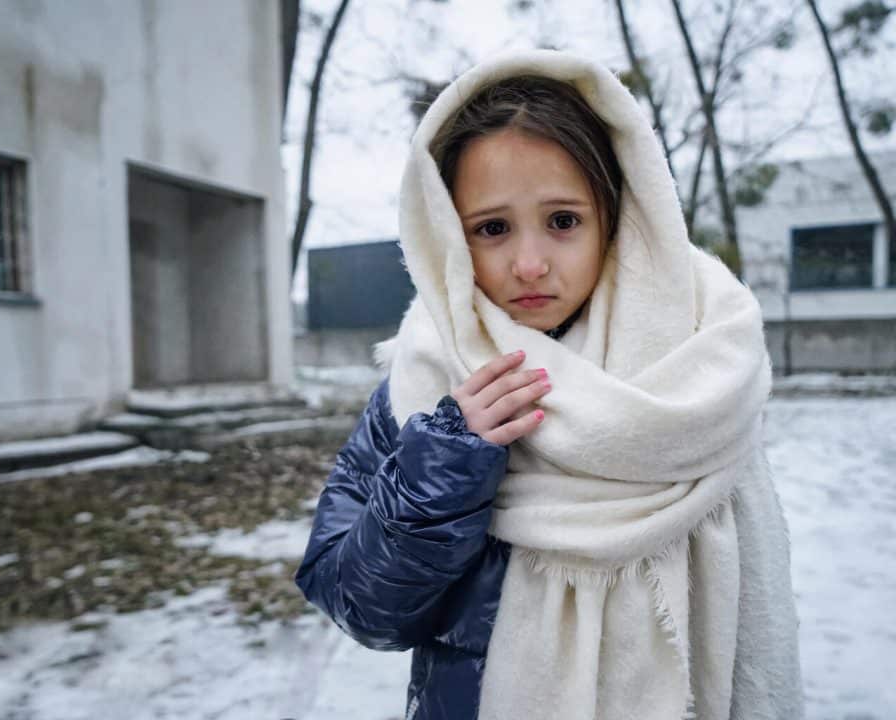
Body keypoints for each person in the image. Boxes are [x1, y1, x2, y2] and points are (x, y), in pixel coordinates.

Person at [295, 50, 802, 720]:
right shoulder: (426, 382)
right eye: (492, 228)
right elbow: (363, 607)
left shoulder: (702, 368)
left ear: (616, 217)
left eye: (563, 221)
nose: (529, 264)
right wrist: (444, 464)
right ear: (448, 233)